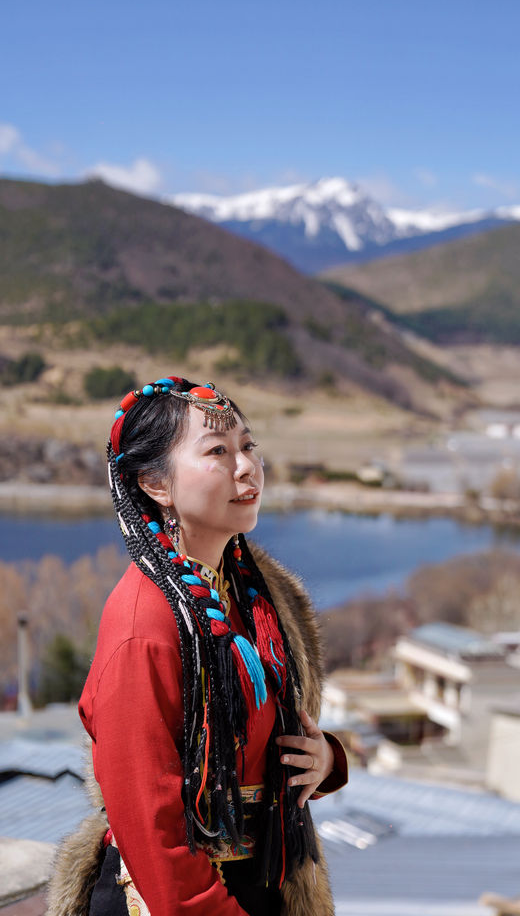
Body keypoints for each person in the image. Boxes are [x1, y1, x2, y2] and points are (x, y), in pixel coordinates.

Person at [46, 377, 348, 916]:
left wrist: (324, 759)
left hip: (266, 880)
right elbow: (153, 832)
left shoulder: (257, 594)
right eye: (217, 451)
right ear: (156, 485)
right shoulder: (144, 626)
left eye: (248, 447)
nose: (247, 467)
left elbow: (252, 748)